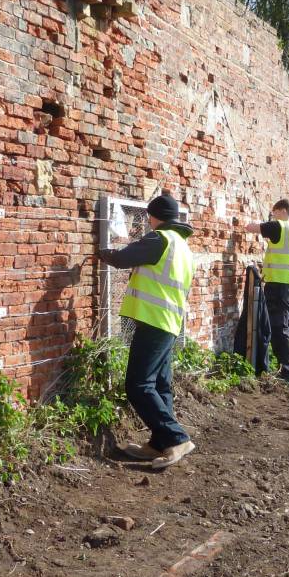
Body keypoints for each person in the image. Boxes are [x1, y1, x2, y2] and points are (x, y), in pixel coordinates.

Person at [99, 193, 197, 469]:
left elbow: (123, 258)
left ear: (154, 217)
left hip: (154, 321)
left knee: (138, 385)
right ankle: (160, 443)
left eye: (149, 217)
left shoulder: (159, 238)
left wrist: (104, 253)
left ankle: (177, 438)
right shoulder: (183, 246)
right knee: (159, 384)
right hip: (169, 322)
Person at [243, 199, 289, 383]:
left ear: (282, 211)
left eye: (274, 213)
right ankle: (287, 368)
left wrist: (244, 222)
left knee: (279, 328)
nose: (273, 216)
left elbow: (251, 228)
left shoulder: (281, 227)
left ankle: (286, 372)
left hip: (280, 285)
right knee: (285, 327)